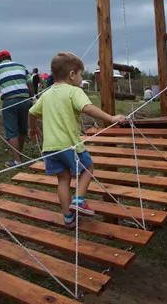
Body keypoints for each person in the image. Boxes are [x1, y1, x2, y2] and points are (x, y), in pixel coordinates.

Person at [28, 53, 125, 226]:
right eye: (80, 75)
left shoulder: (46, 94)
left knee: (63, 180)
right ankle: (79, 201)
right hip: (69, 145)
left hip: (50, 148)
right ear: (72, 75)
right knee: (88, 167)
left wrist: (33, 128)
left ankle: (68, 217)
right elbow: (87, 108)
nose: (80, 78)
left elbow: (32, 112)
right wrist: (110, 118)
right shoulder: (74, 91)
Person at [0, 50, 34, 168]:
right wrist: (31, 100)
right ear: (10, 58)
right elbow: (30, 84)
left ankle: (17, 162)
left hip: (9, 102)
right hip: (25, 100)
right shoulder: (21, 66)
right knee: (22, 130)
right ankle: (20, 157)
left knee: (12, 132)